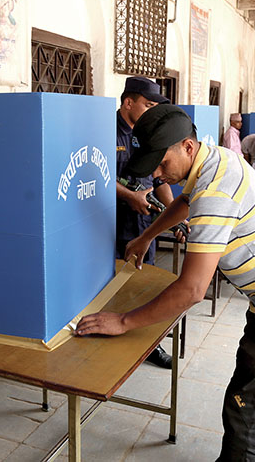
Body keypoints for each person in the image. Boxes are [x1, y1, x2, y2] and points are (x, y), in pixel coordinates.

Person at [77, 105, 255, 461]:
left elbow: (192, 290)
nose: (159, 176)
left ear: (188, 147)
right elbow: (184, 199)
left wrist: (123, 321)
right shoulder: (216, 159)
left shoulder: (215, 195)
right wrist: (148, 235)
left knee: (246, 408)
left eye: (162, 165)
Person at [116, 76, 175, 369]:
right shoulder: (106, 132)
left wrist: (173, 211)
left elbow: (158, 176)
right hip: (115, 222)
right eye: (147, 104)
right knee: (116, 283)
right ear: (129, 102)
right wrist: (129, 196)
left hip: (145, 220)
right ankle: (114, 335)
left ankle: (150, 343)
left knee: (146, 283)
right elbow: (98, 176)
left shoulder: (146, 133)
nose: (151, 110)